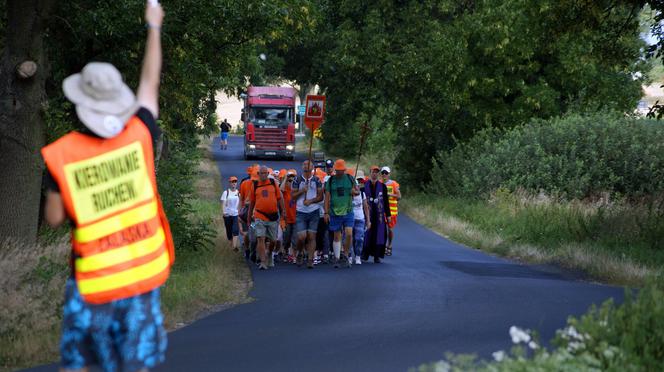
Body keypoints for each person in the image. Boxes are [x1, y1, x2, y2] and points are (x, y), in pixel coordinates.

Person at [41, 3, 171, 371]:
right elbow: (150, 83)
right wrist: (153, 26)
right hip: (140, 281)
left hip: (91, 284)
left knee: (81, 362)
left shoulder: (63, 155)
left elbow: (53, 219)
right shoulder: (141, 134)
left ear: (80, 102)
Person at [248, 166, 285, 270]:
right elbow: (252, 203)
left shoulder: (273, 183)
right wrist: (249, 217)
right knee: (260, 238)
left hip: (273, 216)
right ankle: (263, 262)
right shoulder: (255, 185)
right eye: (261, 173)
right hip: (259, 216)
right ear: (258, 174)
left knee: (273, 240)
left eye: (265, 173)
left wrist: (283, 211)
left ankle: (269, 254)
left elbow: (280, 198)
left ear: (268, 173)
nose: (263, 175)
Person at [324, 159, 358, 268]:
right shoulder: (330, 180)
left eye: (342, 170)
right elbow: (327, 198)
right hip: (334, 211)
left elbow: (357, 191)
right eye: (338, 170)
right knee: (336, 236)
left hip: (348, 211)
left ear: (344, 169)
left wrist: (354, 192)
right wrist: (326, 212)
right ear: (335, 169)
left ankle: (346, 254)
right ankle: (337, 258)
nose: (340, 172)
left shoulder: (350, 178)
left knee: (349, 233)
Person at [292, 160, 323, 268]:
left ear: (313, 167)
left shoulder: (317, 180)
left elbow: (320, 197)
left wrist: (310, 201)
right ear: (302, 166)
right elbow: (293, 196)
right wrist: (302, 191)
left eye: (308, 164)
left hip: (313, 211)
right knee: (301, 237)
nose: (306, 166)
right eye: (304, 164)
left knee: (311, 236)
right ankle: (300, 253)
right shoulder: (297, 179)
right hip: (300, 211)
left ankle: (310, 260)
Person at [362, 165, 391, 263]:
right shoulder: (364, 185)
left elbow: (386, 202)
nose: (374, 173)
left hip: (379, 216)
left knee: (378, 235)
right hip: (368, 214)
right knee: (367, 234)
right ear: (370, 173)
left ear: (378, 174)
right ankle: (365, 254)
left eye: (376, 172)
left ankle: (376, 256)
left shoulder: (382, 186)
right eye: (373, 172)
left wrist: (388, 215)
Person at [315, 159, 335, 264]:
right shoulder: (322, 179)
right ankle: (322, 251)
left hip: (333, 211)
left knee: (331, 232)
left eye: (331, 167)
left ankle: (329, 252)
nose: (329, 168)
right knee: (321, 232)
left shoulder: (335, 179)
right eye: (328, 167)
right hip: (322, 211)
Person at [381, 166, 401, 256]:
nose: (384, 174)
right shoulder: (379, 183)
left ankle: (389, 245)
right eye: (383, 173)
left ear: (389, 174)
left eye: (386, 173)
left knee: (390, 229)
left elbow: (399, 196)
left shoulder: (393, 184)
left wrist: (389, 194)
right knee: (382, 229)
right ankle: (383, 246)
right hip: (382, 210)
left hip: (392, 211)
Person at [351, 170, 370, 265]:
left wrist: (368, 221)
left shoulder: (362, 194)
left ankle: (358, 255)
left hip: (360, 219)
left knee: (359, 238)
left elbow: (366, 208)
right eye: (355, 185)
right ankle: (349, 256)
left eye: (358, 185)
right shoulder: (349, 195)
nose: (357, 187)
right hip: (349, 219)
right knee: (349, 238)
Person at [280, 169, 298, 262]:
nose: (291, 183)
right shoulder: (285, 191)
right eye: (290, 181)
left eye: (293, 181)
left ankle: (294, 256)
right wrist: (286, 178)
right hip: (287, 219)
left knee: (295, 239)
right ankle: (285, 251)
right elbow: (281, 189)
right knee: (286, 238)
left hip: (296, 219)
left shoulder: (297, 191)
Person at [221, 176, 240, 251]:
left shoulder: (238, 193)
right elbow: (223, 203)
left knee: (235, 230)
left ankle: (234, 247)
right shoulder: (226, 192)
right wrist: (223, 212)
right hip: (227, 214)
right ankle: (231, 244)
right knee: (229, 231)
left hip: (236, 214)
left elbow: (240, 203)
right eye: (232, 182)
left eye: (235, 182)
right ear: (229, 183)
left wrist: (239, 212)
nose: (234, 183)